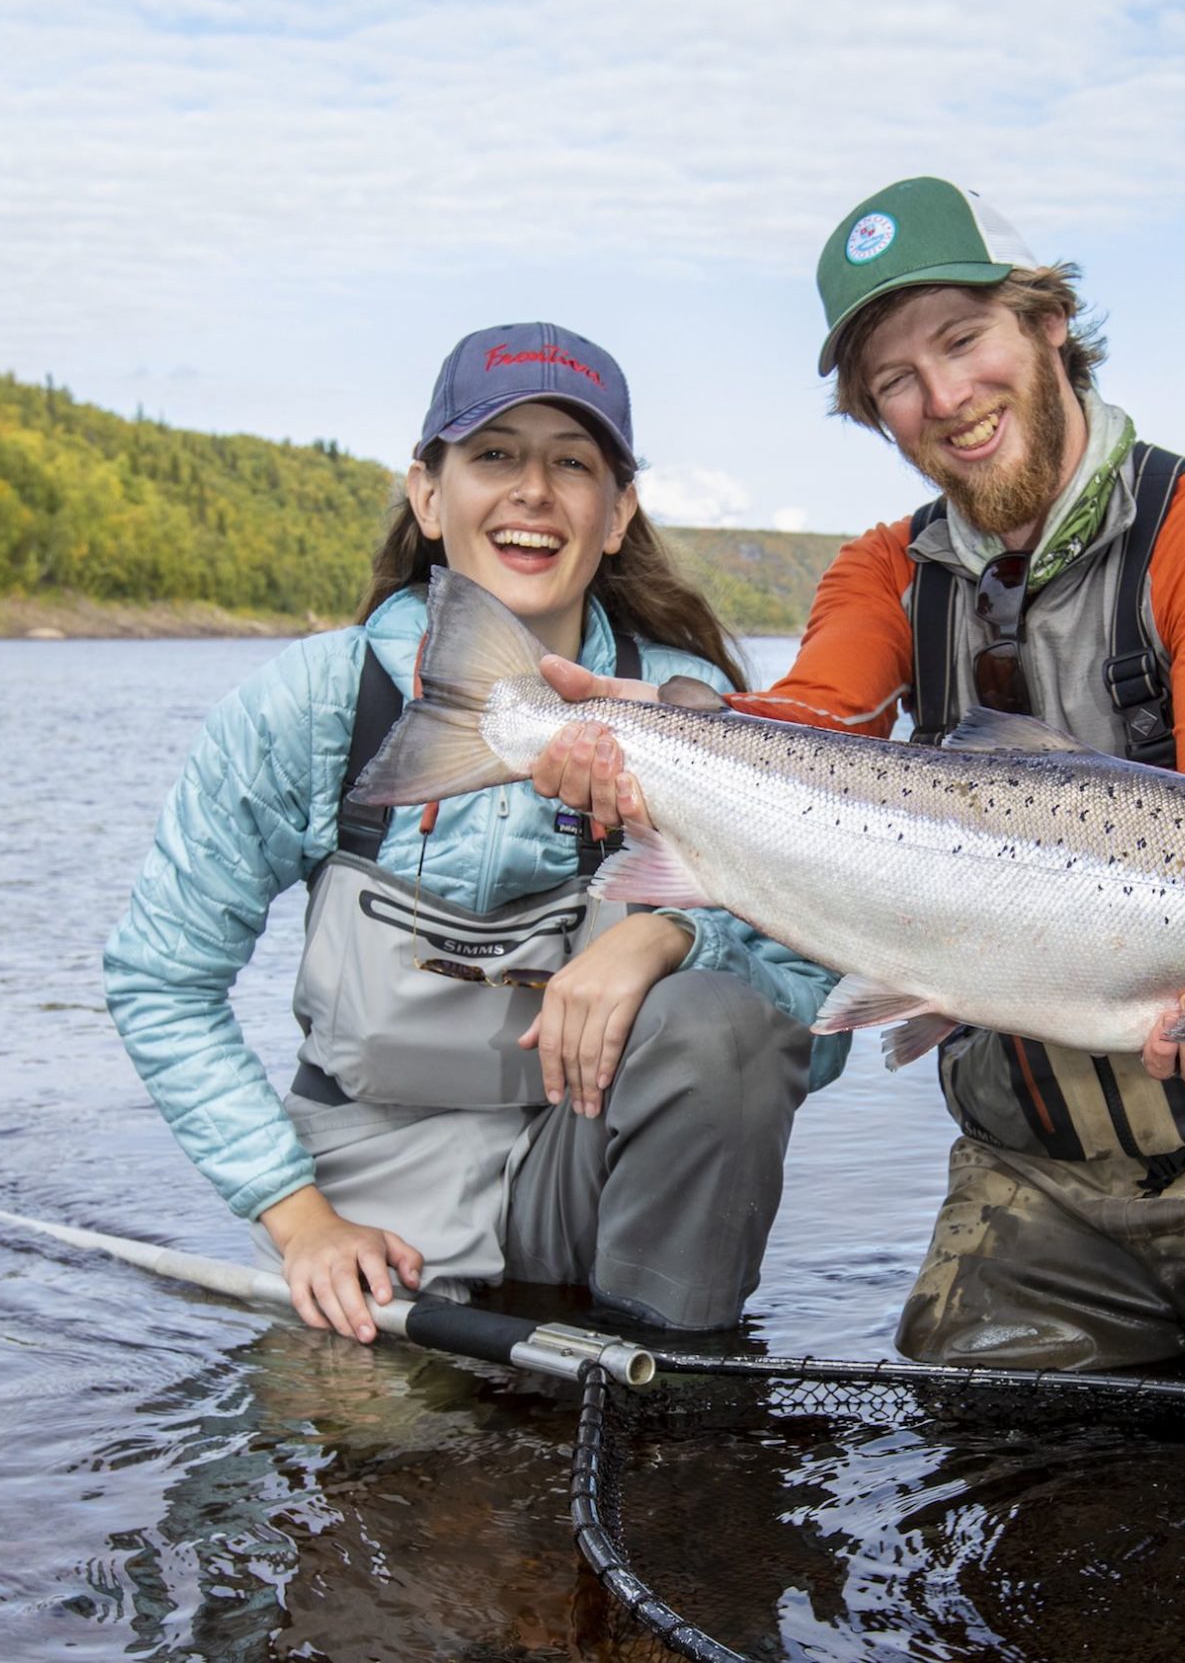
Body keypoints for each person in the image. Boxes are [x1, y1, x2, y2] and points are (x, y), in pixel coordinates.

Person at [537, 182, 1185, 1421]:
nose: (944, 398)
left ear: (1048, 324)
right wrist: (639, 743)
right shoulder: (883, 572)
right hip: (1032, 1182)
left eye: (963, 340)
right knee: (987, 1494)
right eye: (894, 382)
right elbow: (803, 732)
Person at [105, 322, 844, 1344]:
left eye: (572, 463)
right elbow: (159, 980)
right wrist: (298, 1219)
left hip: (591, 1187)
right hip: (365, 1209)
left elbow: (818, 1018)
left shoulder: (697, 713)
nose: (533, 492)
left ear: (617, 513)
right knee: (376, 1478)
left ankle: (673, 1386)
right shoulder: (310, 706)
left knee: (722, 1026)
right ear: (426, 493)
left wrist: (674, 935)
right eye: (494, 455)